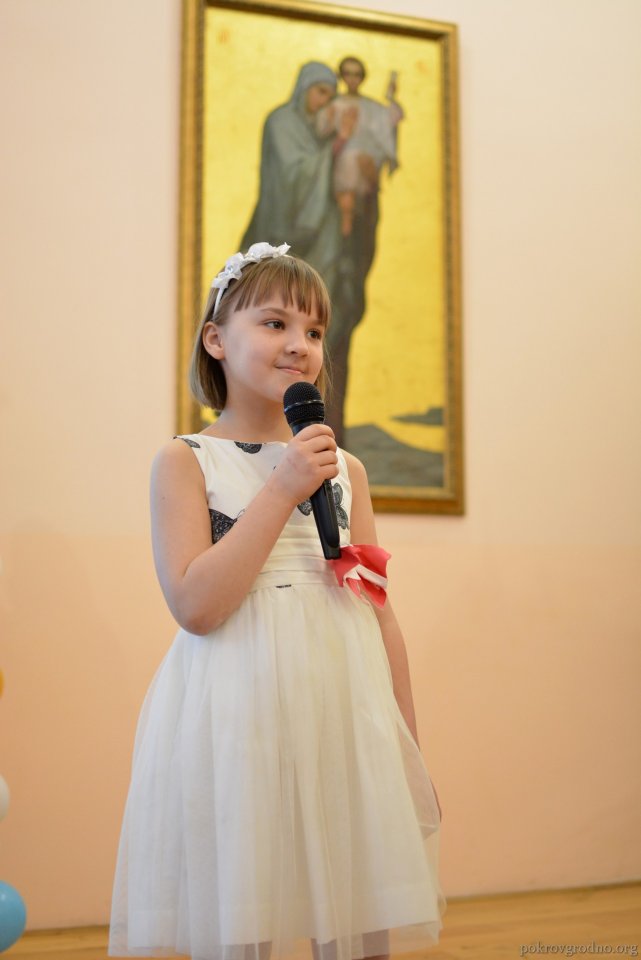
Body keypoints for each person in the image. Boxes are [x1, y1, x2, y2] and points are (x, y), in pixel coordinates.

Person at [109, 242, 446, 960]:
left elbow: (376, 609)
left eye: (315, 331)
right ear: (216, 340)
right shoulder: (184, 461)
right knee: (246, 910)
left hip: (341, 713)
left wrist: (405, 746)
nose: (300, 345)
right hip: (240, 717)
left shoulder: (346, 469)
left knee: (358, 912)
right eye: (274, 324)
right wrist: (283, 486)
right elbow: (197, 607)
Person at [315, 57, 404, 238]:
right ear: (342, 76)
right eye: (348, 74)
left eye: (357, 74)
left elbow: (390, 120)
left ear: (362, 77)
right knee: (349, 161)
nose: (352, 79)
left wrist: (390, 97)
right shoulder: (334, 104)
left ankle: (353, 224)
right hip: (340, 164)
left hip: (366, 167)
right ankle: (345, 223)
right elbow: (320, 134)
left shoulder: (371, 107)